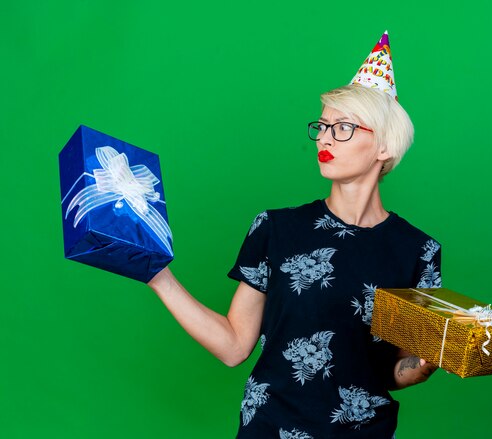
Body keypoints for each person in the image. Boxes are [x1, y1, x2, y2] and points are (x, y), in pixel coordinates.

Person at [148, 32, 442, 438]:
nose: (324, 137)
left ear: (384, 148)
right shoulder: (276, 228)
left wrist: (424, 364)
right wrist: (158, 277)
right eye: (322, 126)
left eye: (343, 127)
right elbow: (235, 346)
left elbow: (390, 371)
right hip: (271, 427)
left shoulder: (418, 251)